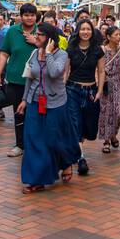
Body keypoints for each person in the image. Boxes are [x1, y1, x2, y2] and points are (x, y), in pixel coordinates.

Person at [18, 22, 78, 191]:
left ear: (50, 39)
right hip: (35, 102)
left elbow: (54, 72)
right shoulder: (33, 54)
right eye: (36, 34)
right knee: (33, 140)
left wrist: (49, 53)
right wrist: (24, 100)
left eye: (40, 35)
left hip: (56, 103)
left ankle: (66, 162)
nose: (36, 37)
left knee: (55, 139)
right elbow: (29, 78)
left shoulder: (62, 55)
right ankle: (37, 180)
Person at [0, 3, 39, 158]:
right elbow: (4, 54)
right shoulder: (12, 32)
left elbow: (51, 51)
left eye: (32, 15)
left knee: (35, 114)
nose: (29, 18)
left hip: (37, 82)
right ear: (21, 17)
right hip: (16, 80)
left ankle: (34, 145)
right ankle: (20, 145)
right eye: (26, 15)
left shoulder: (41, 32)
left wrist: (37, 42)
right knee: (19, 113)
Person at [65, 18, 105, 175]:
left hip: (91, 92)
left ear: (92, 31)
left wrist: (100, 90)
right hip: (72, 90)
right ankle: (81, 158)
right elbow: (65, 71)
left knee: (89, 127)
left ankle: (77, 147)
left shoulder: (97, 50)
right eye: (83, 29)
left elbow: (101, 71)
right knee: (75, 122)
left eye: (88, 29)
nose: (85, 32)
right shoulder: (71, 49)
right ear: (78, 31)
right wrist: (62, 88)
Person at [96, 25, 120, 154]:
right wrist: (98, 82)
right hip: (105, 83)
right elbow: (97, 68)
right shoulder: (102, 50)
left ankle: (113, 134)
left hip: (118, 83)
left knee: (118, 111)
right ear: (108, 37)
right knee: (105, 112)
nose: (119, 37)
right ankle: (106, 141)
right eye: (116, 35)